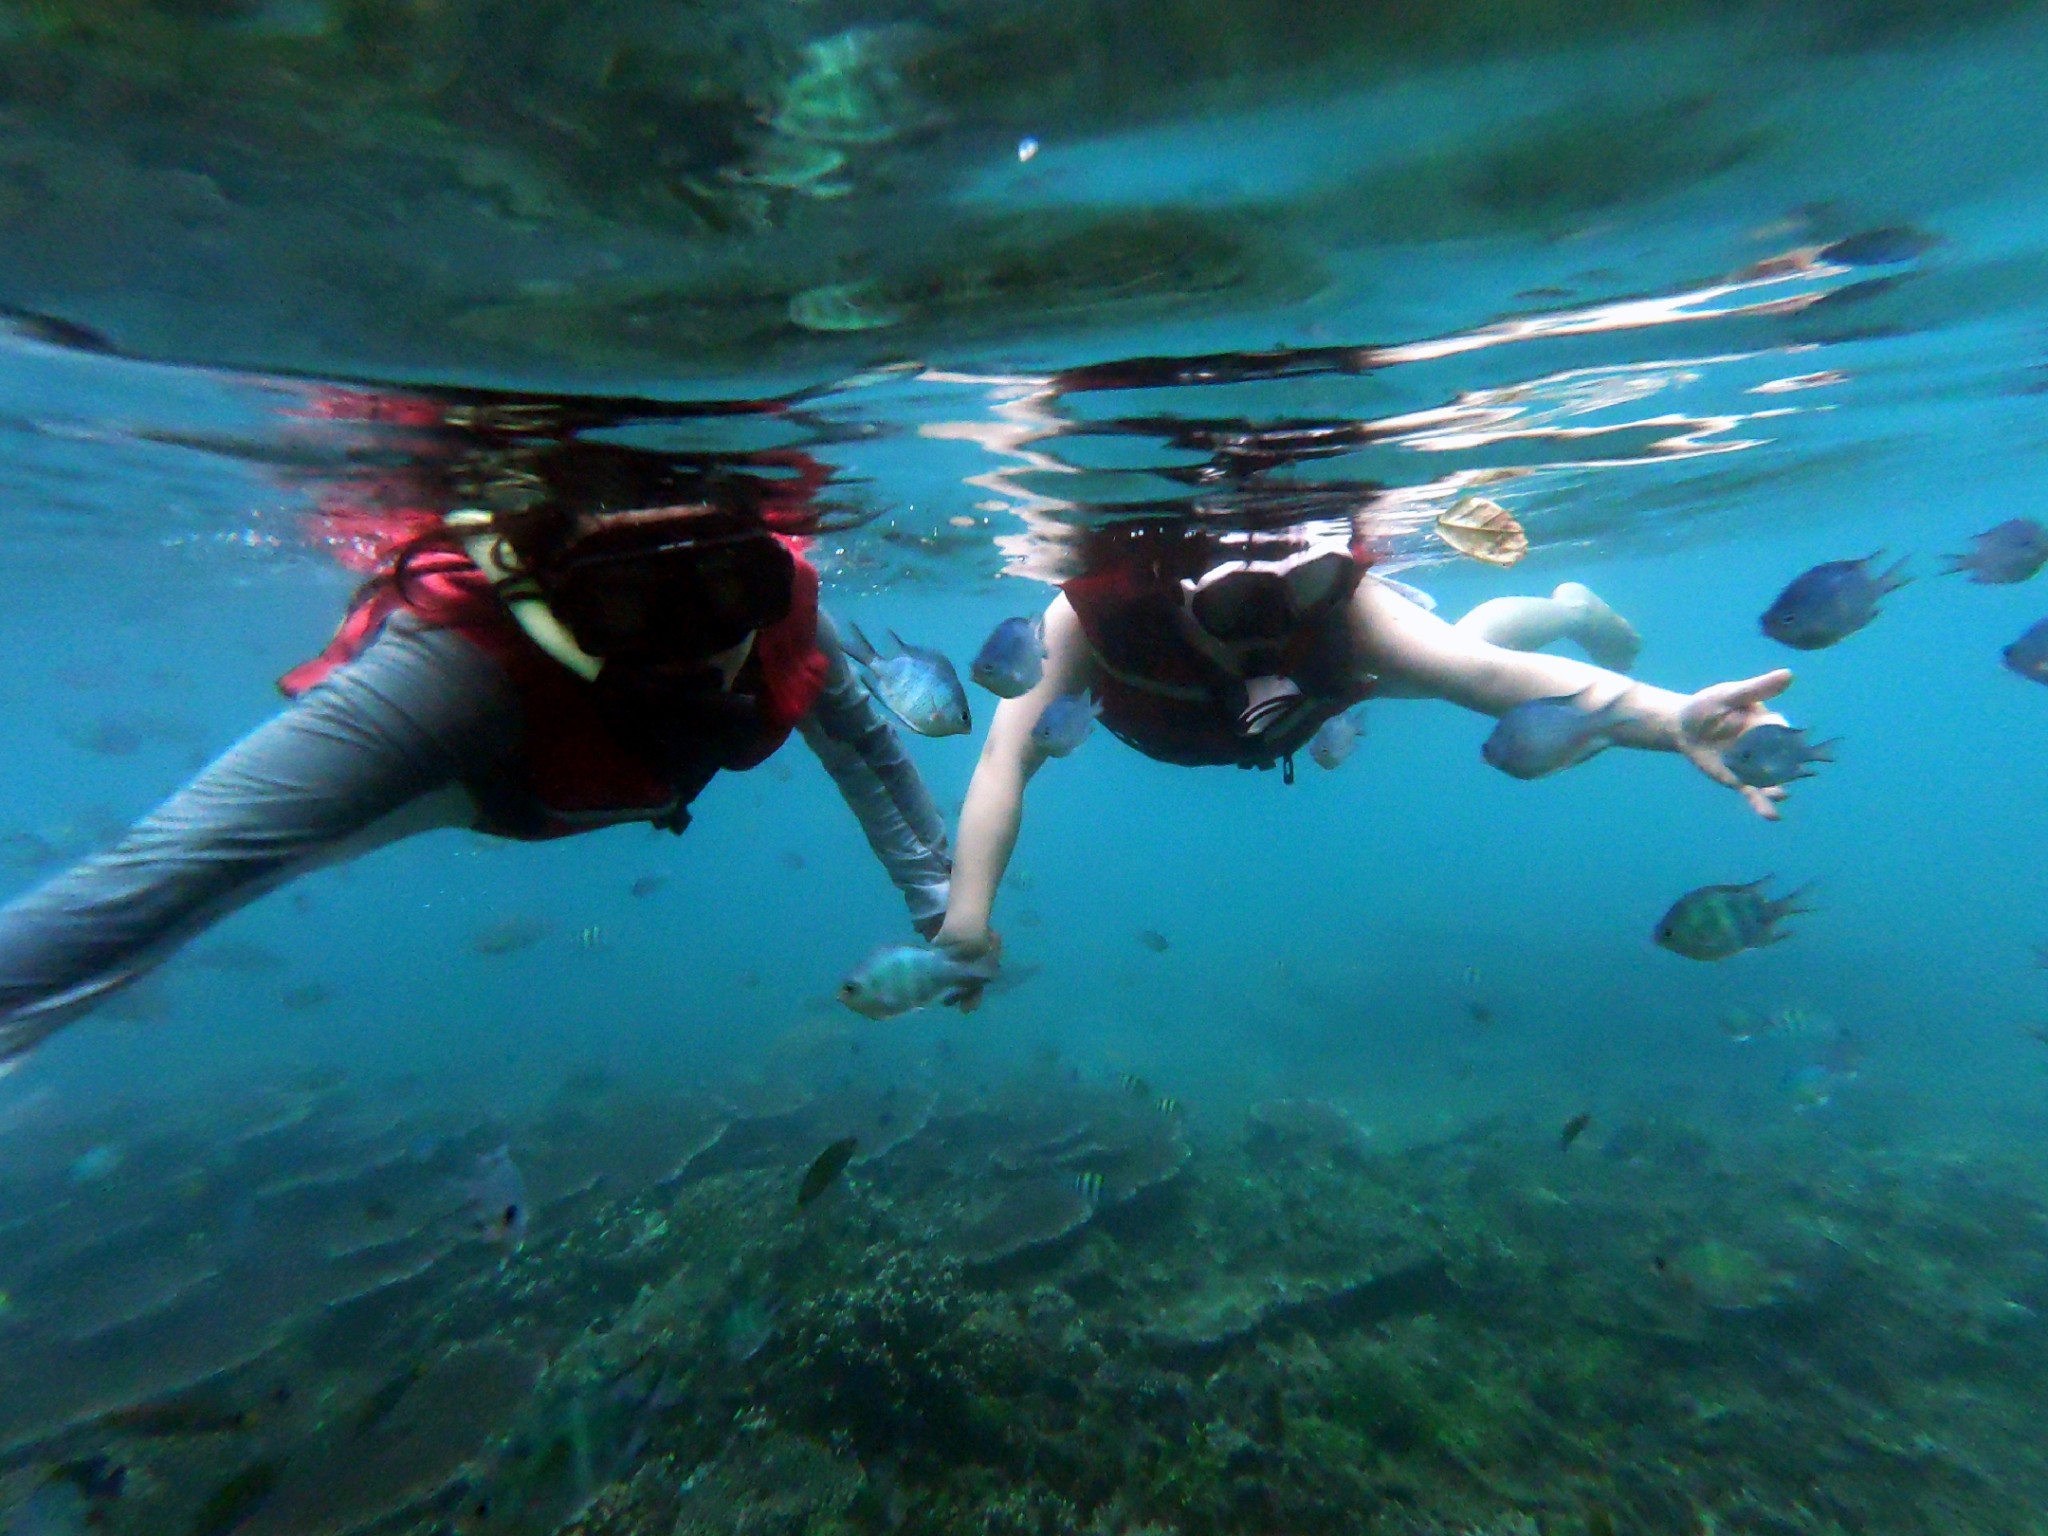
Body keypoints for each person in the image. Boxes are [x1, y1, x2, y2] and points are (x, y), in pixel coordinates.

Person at [0, 494, 952, 1062]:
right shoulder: (457, 678)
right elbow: (172, 866)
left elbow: (867, 746)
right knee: (237, 867)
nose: (695, 648)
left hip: (576, 771)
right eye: (625, 601)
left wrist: (942, 906)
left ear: (763, 571)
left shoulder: (784, 611)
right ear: (557, 595)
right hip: (492, 782)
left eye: (725, 590)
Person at [932, 519, 1794, 963]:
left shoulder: (1348, 614)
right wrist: (968, 915)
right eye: (1237, 610)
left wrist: (1676, 719)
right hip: (1212, 717)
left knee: (1461, 648)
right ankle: (1564, 609)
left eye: (1298, 592)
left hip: (1320, 700)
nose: (1269, 631)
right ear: (1172, 589)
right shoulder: (1090, 619)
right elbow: (1007, 754)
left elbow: (1497, 683)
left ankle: (1569, 609)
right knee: (1456, 648)